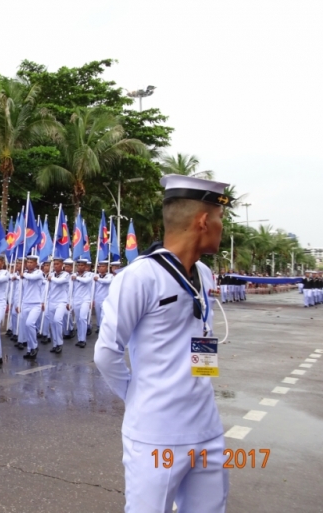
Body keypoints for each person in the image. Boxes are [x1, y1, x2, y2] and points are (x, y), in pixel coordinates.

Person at [95, 174, 232, 513]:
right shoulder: (140, 277)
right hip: (157, 433)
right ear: (203, 221)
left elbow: (199, 337)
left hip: (206, 428)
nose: (221, 226)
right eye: (219, 218)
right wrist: (138, 395)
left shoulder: (204, 274)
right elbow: (106, 353)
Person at [17, 254, 44, 359]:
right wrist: (19, 304)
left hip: (36, 304)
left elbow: (32, 278)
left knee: (30, 324)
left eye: (31, 262)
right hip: (25, 303)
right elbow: (21, 291)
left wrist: (23, 274)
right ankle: (30, 349)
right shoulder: (25, 274)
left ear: (36, 263)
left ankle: (34, 346)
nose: (29, 264)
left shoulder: (39, 273)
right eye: (27, 262)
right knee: (25, 327)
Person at [45, 256, 70, 354]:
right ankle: (55, 344)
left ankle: (60, 343)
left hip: (61, 302)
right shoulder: (51, 275)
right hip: (52, 301)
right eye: (54, 264)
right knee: (52, 323)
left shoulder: (66, 274)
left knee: (57, 320)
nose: (55, 266)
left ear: (62, 265)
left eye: (57, 264)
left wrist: (51, 278)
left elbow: (60, 282)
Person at [71, 259, 94, 348]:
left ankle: (83, 340)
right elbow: (71, 289)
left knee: (83, 318)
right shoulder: (74, 275)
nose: (80, 267)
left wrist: (77, 278)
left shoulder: (90, 274)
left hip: (85, 300)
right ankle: (79, 338)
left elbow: (86, 281)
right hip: (76, 300)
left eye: (82, 265)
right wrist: (71, 301)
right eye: (78, 265)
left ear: (85, 266)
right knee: (78, 320)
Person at [93, 262, 113, 332]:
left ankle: (103, 328)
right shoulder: (95, 275)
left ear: (106, 267)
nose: (101, 268)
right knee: (98, 314)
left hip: (105, 298)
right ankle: (99, 326)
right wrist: (92, 299)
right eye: (100, 266)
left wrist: (98, 279)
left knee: (103, 315)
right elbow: (93, 289)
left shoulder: (110, 276)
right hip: (97, 298)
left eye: (103, 266)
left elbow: (108, 281)